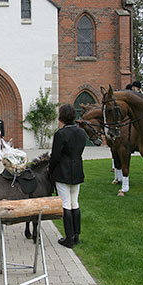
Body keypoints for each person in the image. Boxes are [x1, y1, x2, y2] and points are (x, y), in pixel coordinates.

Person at [49, 104, 86, 249]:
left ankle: (69, 238)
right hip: (77, 169)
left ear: (62, 117)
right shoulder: (81, 133)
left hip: (63, 171)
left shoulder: (61, 134)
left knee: (66, 204)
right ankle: (76, 235)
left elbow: (55, 156)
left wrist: (50, 169)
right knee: (74, 203)